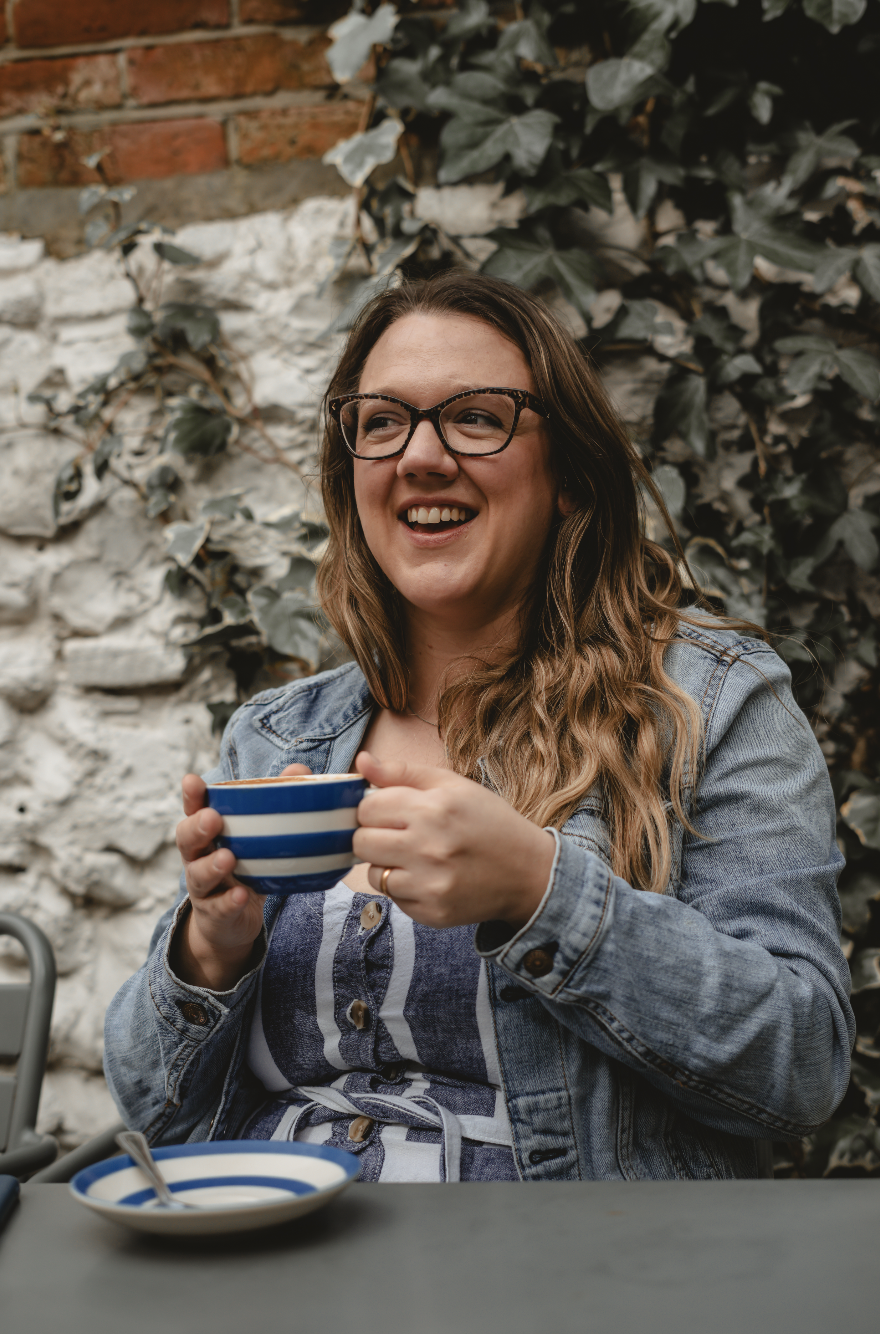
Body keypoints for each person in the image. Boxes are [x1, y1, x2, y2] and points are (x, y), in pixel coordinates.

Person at [104, 270, 853, 1181]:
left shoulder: (709, 704)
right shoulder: (279, 736)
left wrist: (541, 891)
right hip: (273, 1260)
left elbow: (802, 1063)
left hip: (560, 1274)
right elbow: (152, 1115)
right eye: (382, 422)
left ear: (570, 475)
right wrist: (209, 949)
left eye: (475, 416)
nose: (419, 456)